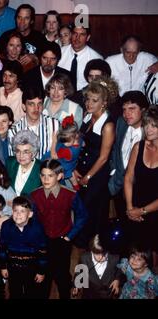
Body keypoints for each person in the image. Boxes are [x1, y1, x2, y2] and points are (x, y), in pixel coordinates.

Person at [30, 159, 88, 299]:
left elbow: (83, 216)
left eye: (50, 175)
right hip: (43, 241)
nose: (46, 179)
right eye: (43, 175)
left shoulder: (70, 194)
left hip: (63, 239)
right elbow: (33, 219)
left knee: (62, 274)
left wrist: (70, 236)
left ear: (60, 176)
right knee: (43, 272)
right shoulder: (35, 195)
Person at [74, 78, 117, 248]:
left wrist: (88, 177)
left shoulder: (108, 125)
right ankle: (82, 243)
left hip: (97, 174)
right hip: (83, 170)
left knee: (93, 210)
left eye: (94, 100)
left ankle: (95, 246)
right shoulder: (87, 117)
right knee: (82, 209)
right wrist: (77, 169)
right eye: (87, 99)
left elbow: (104, 157)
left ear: (104, 103)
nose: (89, 103)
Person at [108, 91, 149, 219]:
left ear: (143, 110)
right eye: (124, 109)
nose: (127, 114)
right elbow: (115, 149)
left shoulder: (150, 133)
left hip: (140, 189)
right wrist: (113, 171)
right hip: (117, 185)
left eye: (132, 109)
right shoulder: (121, 123)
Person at [124, 105, 158, 255]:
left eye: (154, 125)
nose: (148, 129)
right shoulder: (139, 147)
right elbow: (129, 178)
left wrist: (142, 211)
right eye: (146, 125)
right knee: (133, 252)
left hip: (154, 212)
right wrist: (130, 208)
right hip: (135, 210)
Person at [0, 196, 47, 299]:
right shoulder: (6, 226)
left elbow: (43, 251)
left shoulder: (37, 228)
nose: (18, 214)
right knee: (15, 292)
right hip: (13, 267)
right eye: (15, 210)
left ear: (30, 214)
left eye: (22, 211)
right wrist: (3, 266)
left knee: (32, 292)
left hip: (32, 267)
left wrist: (41, 271)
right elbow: (2, 248)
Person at [7, 87, 60, 159]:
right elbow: (13, 161)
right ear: (24, 107)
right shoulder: (14, 131)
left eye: (39, 104)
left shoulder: (55, 125)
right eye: (31, 104)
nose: (36, 108)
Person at [72, 234, 122, 299]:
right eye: (97, 253)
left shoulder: (115, 258)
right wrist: (77, 286)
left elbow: (119, 271)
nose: (101, 257)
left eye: (103, 253)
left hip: (108, 296)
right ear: (91, 251)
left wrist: (117, 279)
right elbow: (79, 275)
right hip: (90, 295)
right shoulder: (84, 258)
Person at [58, 23, 103, 91]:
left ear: (87, 38)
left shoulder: (96, 59)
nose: (77, 38)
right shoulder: (60, 53)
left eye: (82, 35)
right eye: (75, 33)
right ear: (71, 35)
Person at [42, 115, 82, 190]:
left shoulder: (66, 151)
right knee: (72, 178)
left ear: (74, 136)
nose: (64, 143)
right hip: (72, 163)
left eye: (67, 141)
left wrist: (54, 141)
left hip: (64, 165)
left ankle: (75, 192)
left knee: (69, 176)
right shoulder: (79, 139)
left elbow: (53, 156)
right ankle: (77, 190)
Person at [5, 130, 41, 196]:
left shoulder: (41, 168)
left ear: (34, 153)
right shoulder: (10, 163)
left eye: (26, 152)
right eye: (18, 151)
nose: (21, 155)